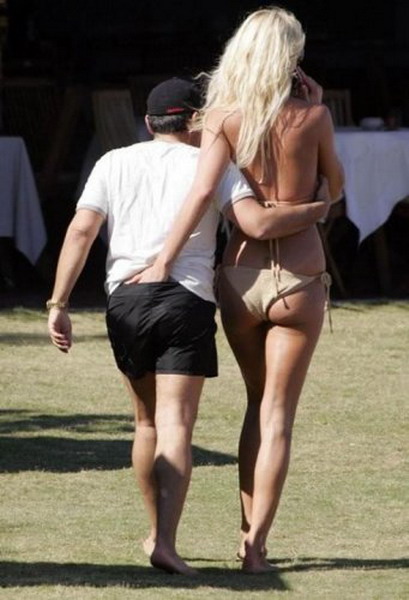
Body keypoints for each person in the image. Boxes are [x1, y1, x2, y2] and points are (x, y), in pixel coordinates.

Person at [47, 76, 331, 575]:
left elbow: (81, 230)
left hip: (125, 298)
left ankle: (155, 532)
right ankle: (167, 543)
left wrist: (58, 302)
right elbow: (256, 224)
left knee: (146, 424)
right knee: (177, 423)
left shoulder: (113, 162)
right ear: (197, 121)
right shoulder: (212, 164)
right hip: (185, 297)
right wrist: (318, 207)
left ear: (148, 122)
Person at [128, 7, 344, 574]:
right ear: (289, 57)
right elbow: (336, 188)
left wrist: (164, 258)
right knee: (277, 414)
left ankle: (242, 536)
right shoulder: (314, 115)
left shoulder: (223, 117)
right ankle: (254, 548)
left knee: (255, 403)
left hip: (239, 275)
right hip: (299, 276)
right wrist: (314, 196)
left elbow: (202, 191)